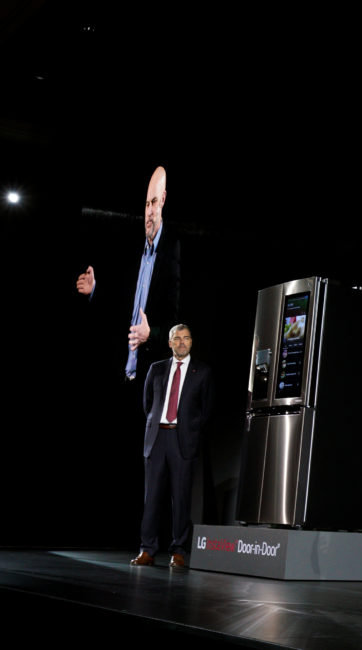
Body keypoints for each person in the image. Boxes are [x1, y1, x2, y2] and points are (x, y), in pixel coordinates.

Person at [76, 166, 180, 381]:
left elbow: (178, 324)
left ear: (163, 200)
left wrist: (150, 335)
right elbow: (118, 305)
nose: (149, 211)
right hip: (118, 374)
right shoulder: (135, 251)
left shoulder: (172, 254)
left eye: (154, 202)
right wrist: (94, 289)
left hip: (148, 380)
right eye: (146, 204)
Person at [131, 324, 213, 568]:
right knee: (152, 497)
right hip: (157, 439)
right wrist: (158, 425)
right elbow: (148, 404)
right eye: (176, 338)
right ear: (169, 343)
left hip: (182, 440)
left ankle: (178, 551)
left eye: (186, 338)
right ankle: (148, 550)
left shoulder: (203, 372)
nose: (181, 342)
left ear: (191, 342)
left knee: (181, 498)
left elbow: (207, 410)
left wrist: (191, 431)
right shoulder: (156, 369)